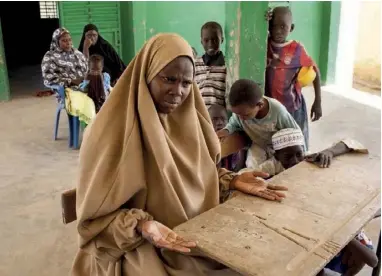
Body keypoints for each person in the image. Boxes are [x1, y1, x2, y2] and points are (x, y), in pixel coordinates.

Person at [71, 33, 288, 276]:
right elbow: (93, 221)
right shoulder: (108, 133)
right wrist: (142, 225)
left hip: (200, 229)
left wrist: (231, 179)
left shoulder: (192, 121)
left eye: (187, 83)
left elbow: (199, 175)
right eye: (169, 79)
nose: (178, 91)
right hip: (143, 243)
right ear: (147, 73)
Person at [245, 128, 377, 276]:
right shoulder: (271, 168)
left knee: (353, 257)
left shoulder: (311, 160)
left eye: (298, 154)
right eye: (287, 156)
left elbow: (351, 143)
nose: (294, 161)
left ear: (304, 151)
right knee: (307, 262)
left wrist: (330, 152)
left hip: (327, 225)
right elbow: (244, 177)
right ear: (277, 156)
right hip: (305, 225)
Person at [265, 6, 323, 150]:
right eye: (273, 26)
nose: (278, 31)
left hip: (293, 107)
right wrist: (263, 18)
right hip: (272, 107)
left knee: (297, 142)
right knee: (277, 143)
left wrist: (318, 101)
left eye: (283, 27)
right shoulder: (264, 44)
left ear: (291, 28)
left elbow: (315, 72)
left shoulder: (297, 49)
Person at [217, 79, 301, 173]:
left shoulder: (278, 111)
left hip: (279, 151)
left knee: (277, 169)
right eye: (238, 114)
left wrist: (302, 159)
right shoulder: (242, 112)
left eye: (245, 115)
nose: (241, 118)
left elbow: (296, 135)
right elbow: (234, 122)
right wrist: (227, 130)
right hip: (258, 145)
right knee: (252, 167)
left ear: (260, 105)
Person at [41, 28, 88, 104]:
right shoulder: (50, 56)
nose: (68, 43)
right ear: (56, 42)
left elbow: (87, 69)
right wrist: (71, 81)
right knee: (84, 100)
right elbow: (49, 79)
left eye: (69, 40)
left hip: (83, 84)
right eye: (64, 41)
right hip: (66, 90)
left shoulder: (77, 53)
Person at [195, 21, 227, 109]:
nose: (210, 44)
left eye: (215, 39)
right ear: (201, 41)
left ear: (222, 40)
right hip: (199, 113)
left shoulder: (227, 64)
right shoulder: (195, 64)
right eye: (206, 40)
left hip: (218, 115)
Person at [208, 104, 246, 172]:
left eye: (223, 119)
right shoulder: (203, 141)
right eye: (215, 119)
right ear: (207, 121)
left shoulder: (235, 139)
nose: (220, 123)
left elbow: (240, 164)